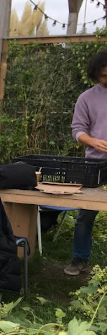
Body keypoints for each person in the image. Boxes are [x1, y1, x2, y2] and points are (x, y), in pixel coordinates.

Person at [64, 50, 107, 276]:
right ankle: (80, 259)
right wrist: (92, 141)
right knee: (85, 214)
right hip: (96, 163)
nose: (106, 79)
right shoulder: (86, 98)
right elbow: (77, 130)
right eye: (103, 76)